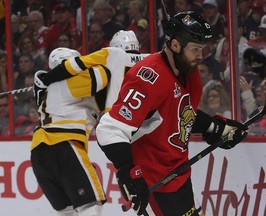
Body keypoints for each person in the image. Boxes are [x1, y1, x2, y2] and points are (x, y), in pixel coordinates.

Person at [95, 11, 248, 216]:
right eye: (195, 49)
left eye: (201, 49)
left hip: (178, 174)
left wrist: (215, 128)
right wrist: (129, 175)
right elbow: (109, 130)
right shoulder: (149, 77)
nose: (200, 56)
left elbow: (182, 114)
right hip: (154, 181)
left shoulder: (189, 72)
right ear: (175, 45)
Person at [30, 47, 109, 216]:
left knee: (67, 212)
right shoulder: (71, 82)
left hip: (39, 152)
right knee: (90, 204)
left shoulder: (48, 89)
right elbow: (105, 73)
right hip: (64, 145)